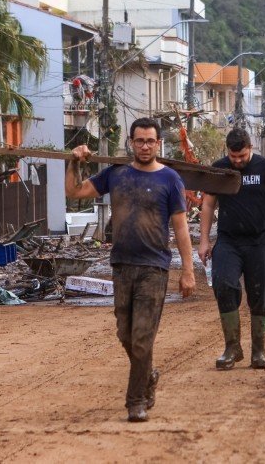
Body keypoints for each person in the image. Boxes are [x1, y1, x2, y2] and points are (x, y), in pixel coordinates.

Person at [65, 117, 196, 422]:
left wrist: (188, 270)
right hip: (122, 266)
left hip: (154, 268)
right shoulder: (115, 174)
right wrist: (74, 163)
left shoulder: (170, 179)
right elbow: (75, 192)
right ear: (131, 142)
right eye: (140, 140)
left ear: (158, 143)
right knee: (125, 334)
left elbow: (180, 228)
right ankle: (147, 375)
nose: (145, 146)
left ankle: (135, 400)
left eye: (151, 141)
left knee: (142, 338)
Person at [198, 129, 265, 370]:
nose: (238, 161)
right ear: (227, 151)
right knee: (223, 284)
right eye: (234, 156)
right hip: (228, 241)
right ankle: (232, 347)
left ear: (250, 147)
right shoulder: (219, 168)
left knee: (260, 294)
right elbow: (208, 205)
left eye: (242, 156)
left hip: (260, 241)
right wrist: (203, 241)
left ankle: (258, 351)